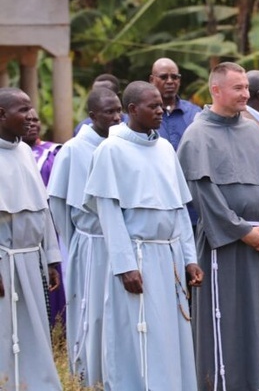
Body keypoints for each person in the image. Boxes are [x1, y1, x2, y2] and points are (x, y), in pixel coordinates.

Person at [177, 62, 259, 391]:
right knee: (225, 319)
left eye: (246, 88)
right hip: (224, 246)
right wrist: (243, 232)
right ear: (216, 90)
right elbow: (204, 196)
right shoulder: (197, 135)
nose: (246, 94)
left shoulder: (253, 131)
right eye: (238, 88)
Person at [83, 81, 203, 391]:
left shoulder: (163, 147)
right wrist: (125, 266)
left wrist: (189, 259)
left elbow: (178, 208)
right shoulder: (111, 149)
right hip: (137, 258)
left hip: (170, 256)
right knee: (140, 331)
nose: (161, 110)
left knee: (172, 334)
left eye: (162, 104)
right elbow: (109, 213)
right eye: (153, 106)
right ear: (132, 110)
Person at [47, 87, 122, 386]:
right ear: (92, 116)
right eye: (109, 112)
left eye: (119, 111)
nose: (117, 117)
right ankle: (87, 373)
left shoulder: (121, 144)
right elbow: (57, 200)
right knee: (91, 309)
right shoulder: (74, 149)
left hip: (121, 243)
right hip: (90, 242)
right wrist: (75, 238)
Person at [0, 87, 62, 391]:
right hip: (4, 262)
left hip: (31, 258)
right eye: (22, 110)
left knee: (34, 333)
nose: (30, 117)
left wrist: (50, 258)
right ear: (1, 115)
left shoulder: (24, 151)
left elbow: (42, 211)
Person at [22, 108, 66, 328]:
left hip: (50, 226)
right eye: (26, 118)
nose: (32, 123)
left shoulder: (53, 152)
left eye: (35, 119)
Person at [148, 57, 201, 150]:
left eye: (174, 77)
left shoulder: (195, 113)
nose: (170, 81)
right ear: (152, 80)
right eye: (163, 77)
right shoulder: (143, 115)